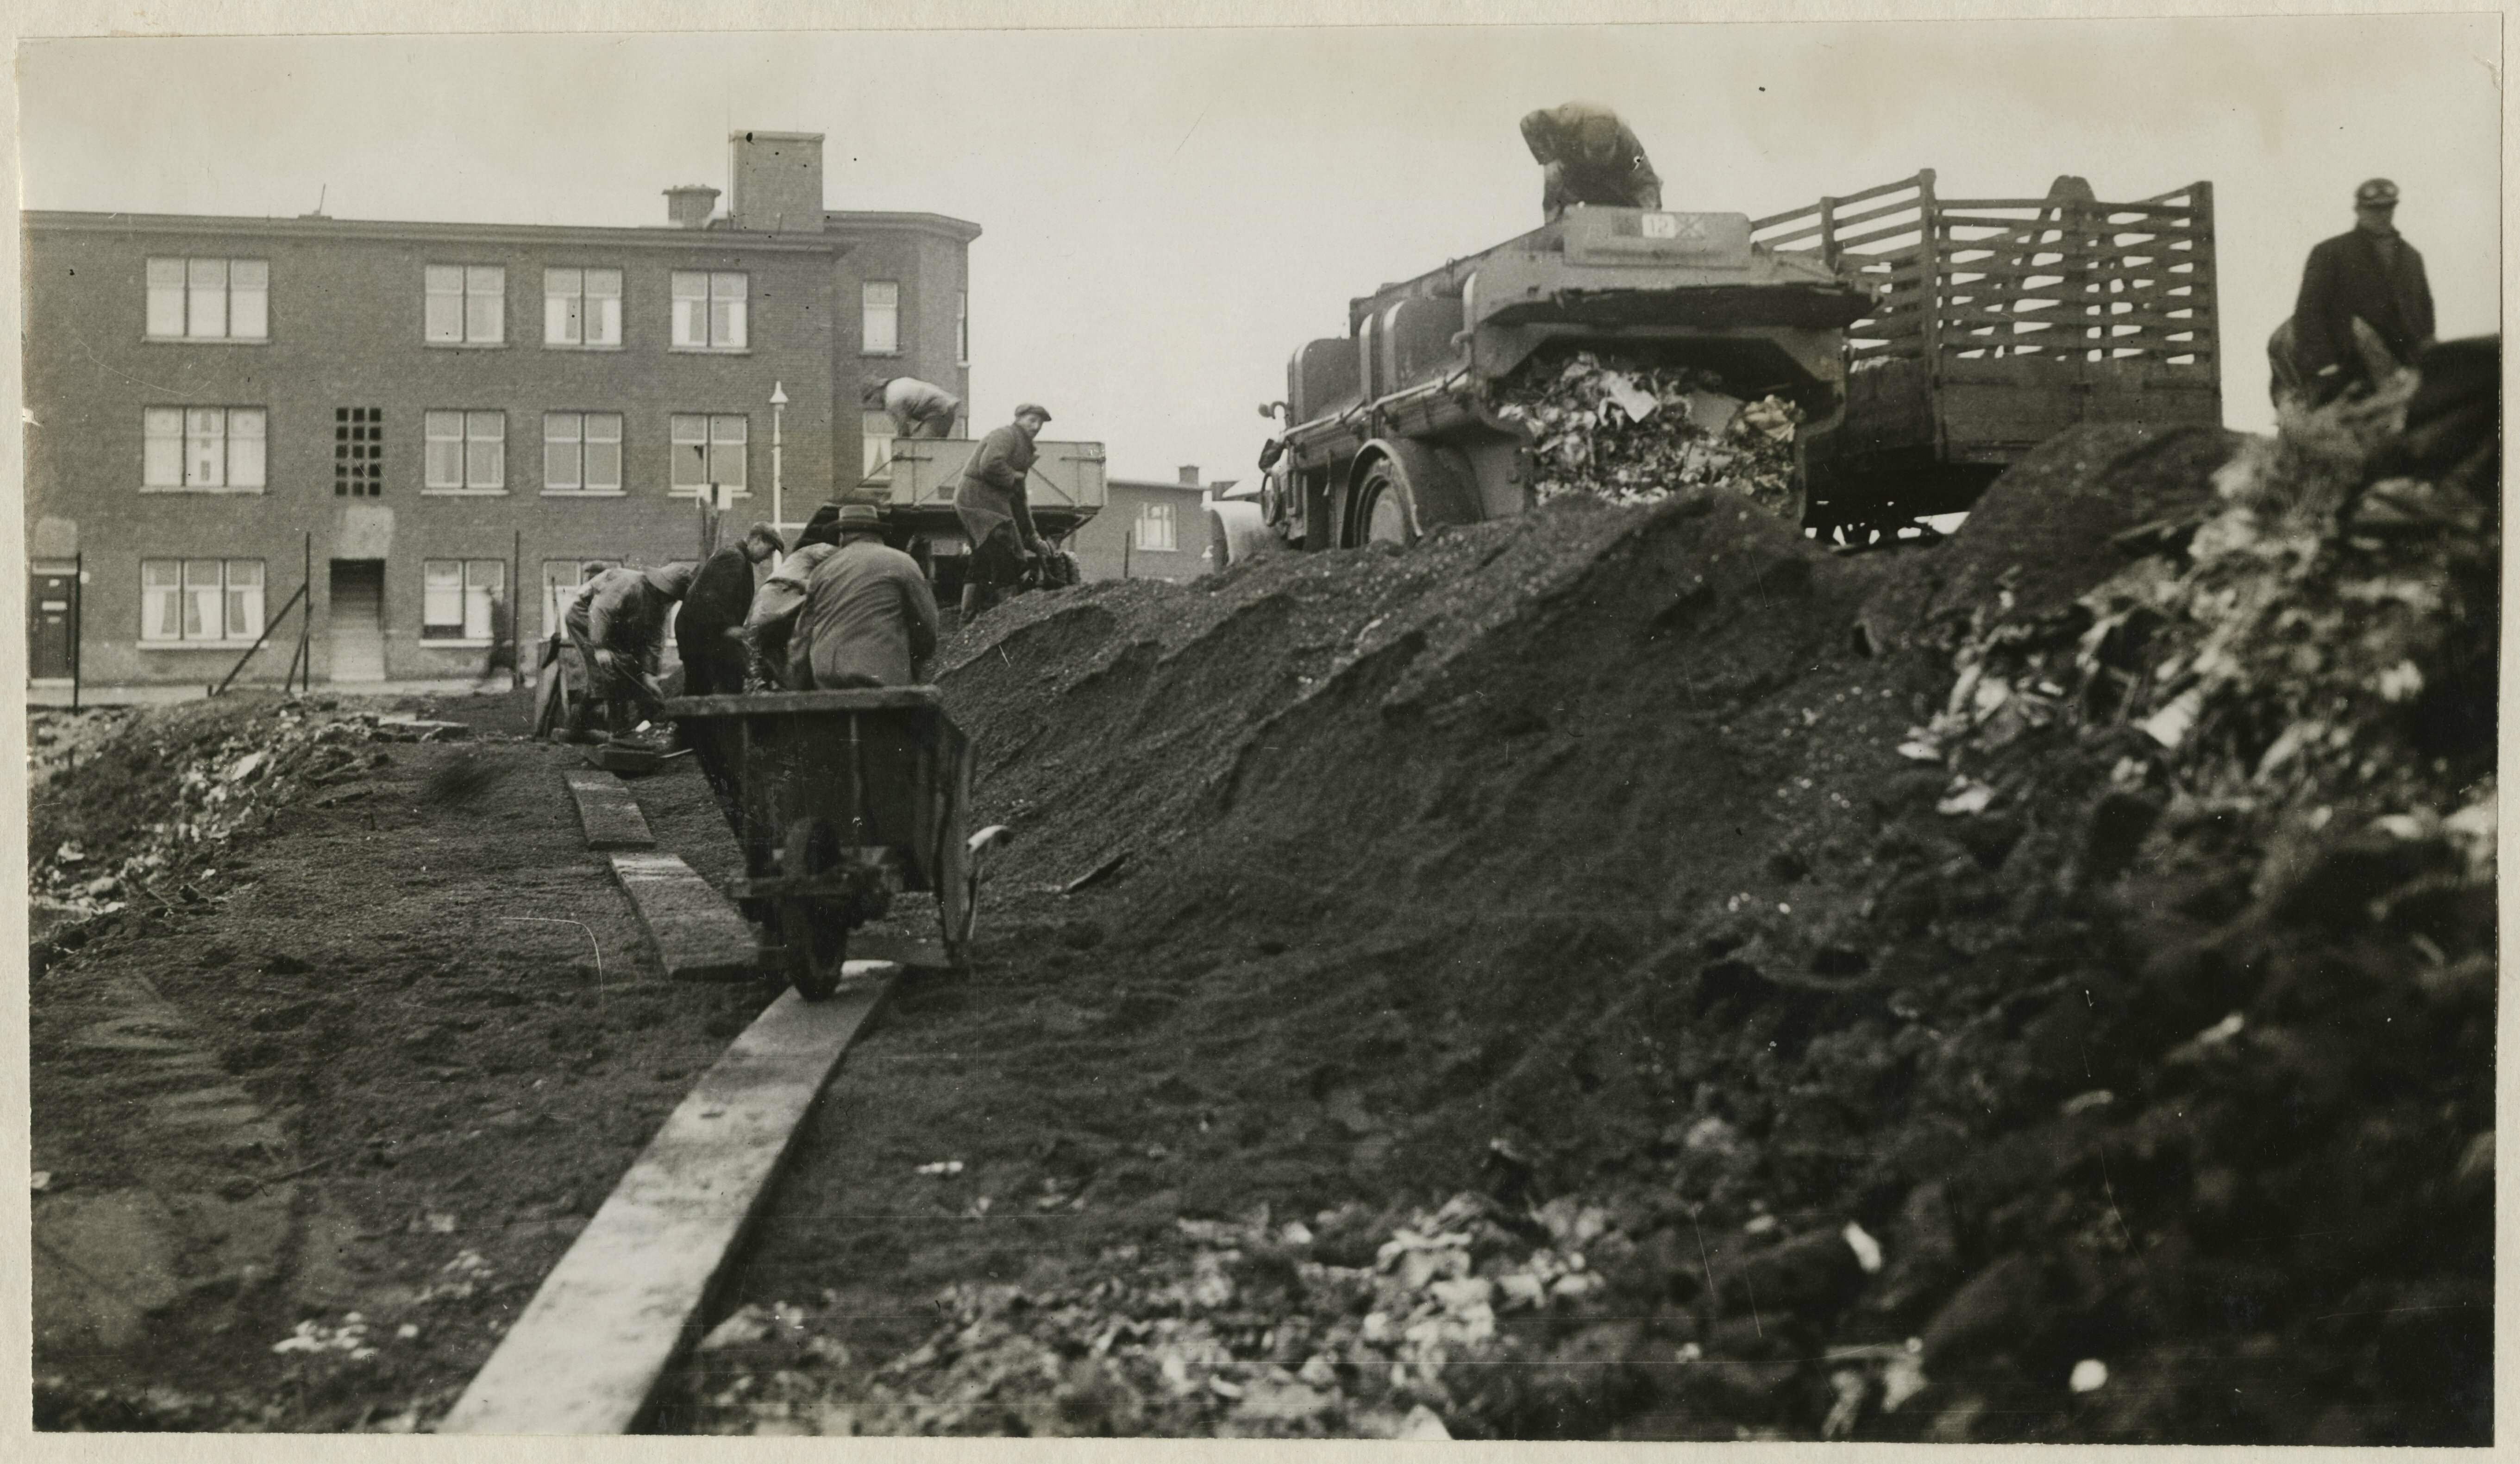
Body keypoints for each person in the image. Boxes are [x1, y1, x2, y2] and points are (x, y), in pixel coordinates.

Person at [2276, 177, 2436, 407]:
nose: (2382, 215)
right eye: (2374, 209)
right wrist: (2325, 365)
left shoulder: (2412, 258)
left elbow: (2425, 316)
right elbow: (2309, 312)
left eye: (2388, 208)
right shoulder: (2330, 252)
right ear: (2358, 210)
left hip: (2401, 371)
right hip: (2346, 370)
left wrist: (2426, 363)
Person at [789, 504, 942, 689]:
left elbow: (802, 638)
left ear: (842, 536)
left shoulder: (821, 571)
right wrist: (915, 665)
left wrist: (799, 689)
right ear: (878, 534)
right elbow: (927, 627)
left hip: (827, 679)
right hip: (880, 679)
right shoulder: (903, 564)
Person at [562, 562, 698, 745]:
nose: (670, 602)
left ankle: (576, 729)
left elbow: (654, 639)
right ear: (660, 586)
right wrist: (600, 647)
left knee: (617, 669)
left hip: (613, 626)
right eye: (669, 596)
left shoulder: (659, 603)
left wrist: (649, 675)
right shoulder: (630, 585)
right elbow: (600, 611)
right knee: (610, 669)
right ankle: (620, 732)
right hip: (585, 618)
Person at [953, 403, 1053, 621]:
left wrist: (1033, 537)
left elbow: (1019, 498)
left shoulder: (1025, 449)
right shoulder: (1005, 435)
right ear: (1019, 418)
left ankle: (967, 618)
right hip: (978, 501)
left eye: (1040, 423)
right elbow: (989, 465)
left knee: (982, 558)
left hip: (986, 502)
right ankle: (1008, 621)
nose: (1036, 427)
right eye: (1032, 420)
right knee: (1006, 555)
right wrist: (1014, 477)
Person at [739, 504, 846, 690]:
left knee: (766, 653)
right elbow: (846, 557)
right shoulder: (815, 551)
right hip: (782, 596)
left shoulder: (800, 562)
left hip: (772, 602)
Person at [1519, 102, 1662, 222]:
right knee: (1555, 185)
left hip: (1611, 179)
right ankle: (1554, 230)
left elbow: (1646, 182)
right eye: (1594, 154)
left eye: (1604, 155)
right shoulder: (1568, 119)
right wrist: (1547, 160)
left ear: (1616, 144)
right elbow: (1529, 123)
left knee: (1633, 205)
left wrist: (1649, 214)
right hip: (1573, 169)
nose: (1598, 161)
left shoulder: (1630, 147)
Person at [870, 376, 964, 440]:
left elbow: (904, 430)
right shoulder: (896, 384)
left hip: (940, 412)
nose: (872, 402)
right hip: (943, 409)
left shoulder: (892, 399)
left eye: (870, 397)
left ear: (879, 389)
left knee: (923, 447)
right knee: (920, 443)